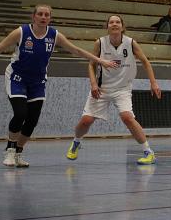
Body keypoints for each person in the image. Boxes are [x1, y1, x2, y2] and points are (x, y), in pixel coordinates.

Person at [0, 5, 115, 167]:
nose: (43, 17)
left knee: (32, 120)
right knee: (20, 113)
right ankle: (10, 150)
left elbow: (76, 50)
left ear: (50, 18)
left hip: (38, 81)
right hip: (17, 78)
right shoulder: (21, 32)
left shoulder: (54, 35)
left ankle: (19, 153)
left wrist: (100, 61)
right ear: (33, 17)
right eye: (40, 14)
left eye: (46, 15)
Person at [66, 15, 162, 164]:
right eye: (111, 22)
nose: (114, 24)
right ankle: (76, 142)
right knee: (86, 121)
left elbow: (145, 62)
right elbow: (91, 65)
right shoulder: (100, 43)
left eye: (118, 22)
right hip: (102, 88)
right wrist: (93, 84)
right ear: (107, 26)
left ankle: (148, 152)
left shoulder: (131, 43)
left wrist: (153, 83)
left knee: (127, 118)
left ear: (122, 26)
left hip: (122, 89)